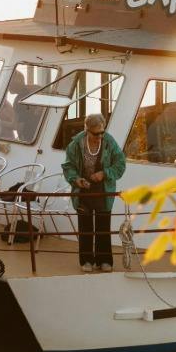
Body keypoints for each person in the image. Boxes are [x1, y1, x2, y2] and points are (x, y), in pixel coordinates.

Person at [60, 112, 126, 272]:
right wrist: (76, 180)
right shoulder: (76, 144)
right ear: (87, 130)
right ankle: (86, 260)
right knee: (85, 227)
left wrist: (104, 173)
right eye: (96, 133)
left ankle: (104, 261)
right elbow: (68, 166)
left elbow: (120, 163)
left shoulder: (109, 142)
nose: (100, 136)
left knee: (103, 226)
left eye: (102, 132)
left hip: (103, 190)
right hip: (83, 190)